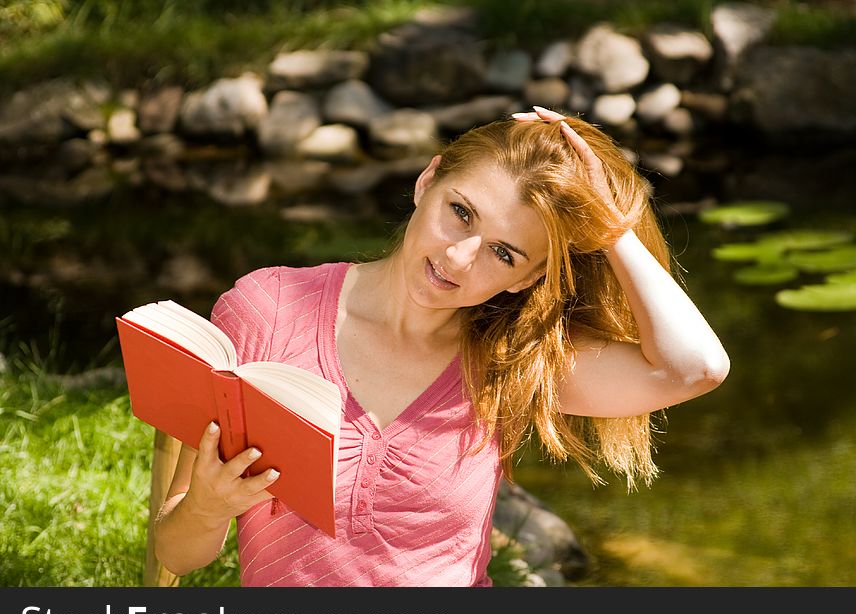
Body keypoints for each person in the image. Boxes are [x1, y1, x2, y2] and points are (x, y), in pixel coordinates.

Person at [153, 107, 730, 586]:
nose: (458, 258)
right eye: (460, 213)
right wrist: (206, 507)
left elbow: (695, 368)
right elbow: (178, 553)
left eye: (504, 253)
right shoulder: (267, 311)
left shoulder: (511, 360)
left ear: (528, 278)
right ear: (426, 180)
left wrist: (612, 229)